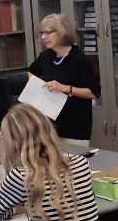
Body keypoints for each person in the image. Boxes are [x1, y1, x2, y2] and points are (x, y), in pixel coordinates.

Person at [28, 12, 100, 150]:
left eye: (48, 33)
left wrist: (64, 88)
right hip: (49, 127)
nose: (43, 37)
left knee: (72, 162)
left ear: (62, 32)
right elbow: (31, 72)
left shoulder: (80, 59)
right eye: (42, 33)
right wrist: (38, 89)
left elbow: (94, 92)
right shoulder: (46, 56)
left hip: (74, 128)